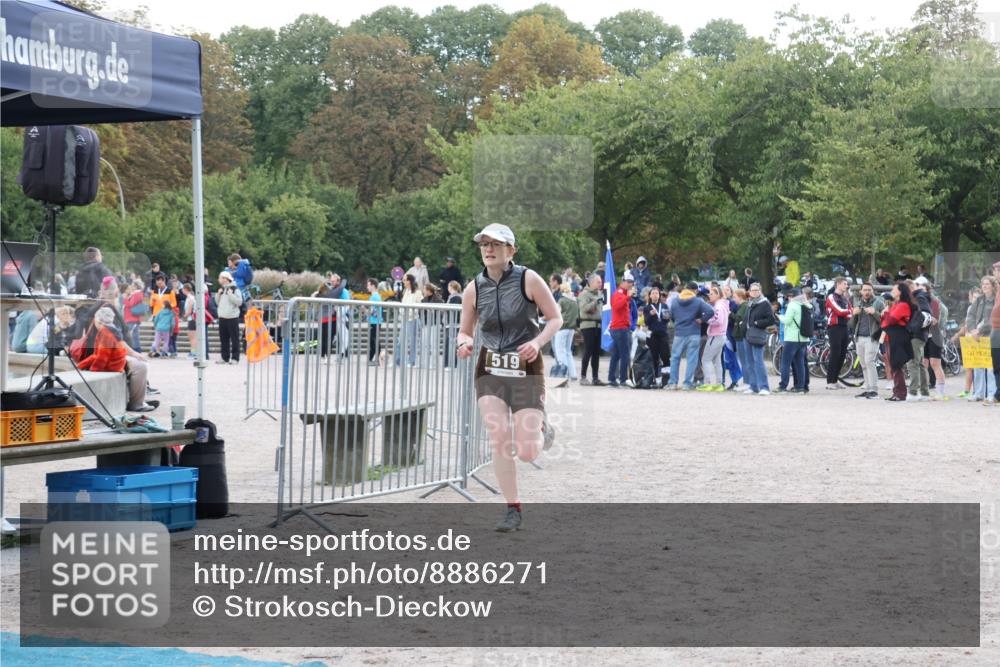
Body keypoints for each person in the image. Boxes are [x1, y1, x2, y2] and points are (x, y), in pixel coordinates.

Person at [455, 223, 560, 532]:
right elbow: (465, 329)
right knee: (500, 438)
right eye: (484, 244)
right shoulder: (474, 287)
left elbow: (555, 318)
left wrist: (537, 342)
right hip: (489, 369)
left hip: (525, 369)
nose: (488, 249)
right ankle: (512, 509)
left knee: (526, 452)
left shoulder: (529, 279)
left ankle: (541, 425)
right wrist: (464, 342)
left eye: (496, 244)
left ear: (511, 250)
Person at [667, 281, 716, 390]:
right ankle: (687, 384)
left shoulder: (675, 301)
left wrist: (678, 322)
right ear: (694, 291)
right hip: (694, 333)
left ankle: (673, 382)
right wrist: (701, 320)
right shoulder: (697, 301)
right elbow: (710, 311)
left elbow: (671, 316)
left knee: (675, 358)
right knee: (692, 359)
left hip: (679, 333)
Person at [881, 282, 915, 402]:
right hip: (893, 335)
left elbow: (890, 319)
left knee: (896, 364)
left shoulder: (903, 305)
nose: (892, 290)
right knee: (894, 365)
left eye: (894, 289)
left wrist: (886, 313)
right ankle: (897, 392)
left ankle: (900, 393)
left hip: (898, 336)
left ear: (900, 291)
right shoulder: (897, 304)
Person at [850, 282, 885, 399]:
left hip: (872, 337)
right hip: (859, 337)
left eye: (869, 290)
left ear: (873, 290)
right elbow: (850, 325)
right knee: (863, 364)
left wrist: (874, 312)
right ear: (861, 292)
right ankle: (868, 387)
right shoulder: (858, 303)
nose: (867, 292)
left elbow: (885, 320)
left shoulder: (879, 303)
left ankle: (874, 390)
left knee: (870, 362)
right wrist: (854, 315)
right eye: (865, 290)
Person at [743, 283, 777, 395]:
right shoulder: (750, 303)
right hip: (748, 335)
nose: (754, 292)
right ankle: (753, 386)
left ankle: (764, 387)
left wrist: (758, 323)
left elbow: (771, 320)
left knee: (758, 362)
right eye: (752, 290)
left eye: (756, 290)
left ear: (760, 290)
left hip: (758, 334)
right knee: (749, 362)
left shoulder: (764, 303)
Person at [967, 276, 996, 403]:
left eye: (987, 284)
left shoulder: (996, 300)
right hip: (976, 335)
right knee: (978, 364)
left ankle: (991, 394)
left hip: (991, 334)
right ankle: (978, 393)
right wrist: (973, 330)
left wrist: (980, 330)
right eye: (983, 284)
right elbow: (971, 315)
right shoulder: (978, 300)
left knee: (990, 367)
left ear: (993, 286)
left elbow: (993, 319)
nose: (984, 286)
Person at [776, 288, 810, 393]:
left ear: (792, 296)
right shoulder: (807, 305)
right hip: (804, 338)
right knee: (800, 363)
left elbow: (787, 320)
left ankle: (783, 386)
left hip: (792, 338)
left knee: (785, 363)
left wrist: (780, 316)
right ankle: (800, 387)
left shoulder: (792, 305)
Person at [698, 286, 730, 391]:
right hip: (721, 335)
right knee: (717, 361)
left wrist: (707, 320)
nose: (709, 296)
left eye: (712, 294)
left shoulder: (719, 306)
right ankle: (719, 384)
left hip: (715, 335)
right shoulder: (723, 305)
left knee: (705, 359)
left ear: (718, 295)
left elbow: (718, 320)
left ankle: (707, 383)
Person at [824, 277, 853, 389]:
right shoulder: (831, 296)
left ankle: (835, 380)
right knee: (835, 353)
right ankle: (830, 381)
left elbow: (851, 312)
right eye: (845, 284)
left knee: (842, 354)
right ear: (838, 284)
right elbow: (839, 311)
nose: (847, 286)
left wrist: (848, 312)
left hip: (844, 326)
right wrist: (848, 312)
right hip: (834, 327)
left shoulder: (845, 298)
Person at [922, 281, 949, 400]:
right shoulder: (918, 302)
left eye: (922, 288)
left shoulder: (934, 301)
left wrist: (939, 326)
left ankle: (940, 392)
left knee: (935, 363)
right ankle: (925, 390)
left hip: (935, 335)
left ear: (928, 289)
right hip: (923, 336)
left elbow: (939, 317)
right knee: (924, 363)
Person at [607, 274, 634, 387]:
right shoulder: (618, 293)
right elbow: (617, 306)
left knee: (616, 355)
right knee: (624, 355)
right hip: (620, 328)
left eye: (631, 282)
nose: (630, 284)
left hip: (621, 328)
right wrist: (628, 297)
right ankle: (623, 379)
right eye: (628, 282)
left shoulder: (622, 294)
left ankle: (612, 379)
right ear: (623, 282)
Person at [577, 274, 604, 385]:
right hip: (588, 325)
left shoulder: (599, 294)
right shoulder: (584, 294)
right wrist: (596, 301)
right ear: (591, 282)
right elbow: (584, 308)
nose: (600, 284)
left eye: (601, 282)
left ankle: (595, 378)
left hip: (598, 326)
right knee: (588, 350)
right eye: (598, 282)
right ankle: (583, 377)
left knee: (596, 353)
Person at [642, 286, 670, 384]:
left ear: (659, 295)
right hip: (652, 335)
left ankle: (666, 379)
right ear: (650, 296)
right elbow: (646, 321)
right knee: (653, 357)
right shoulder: (647, 308)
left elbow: (667, 320)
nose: (655, 295)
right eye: (653, 293)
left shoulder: (664, 306)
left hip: (663, 334)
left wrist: (665, 316)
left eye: (657, 293)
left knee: (665, 355)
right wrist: (650, 314)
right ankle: (656, 378)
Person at [215, 271, 243, 364]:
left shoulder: (235, 289)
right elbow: (217, 302)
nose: (219, 280)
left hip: (232, 317)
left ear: (225, 279)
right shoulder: (221, 289)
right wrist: (218, 294)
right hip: (222, 317)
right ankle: (224, 357)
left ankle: (235, 358)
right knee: (223, 339)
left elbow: (239, 302)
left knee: (234, 338)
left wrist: (231, 294)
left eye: (220, 278)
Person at [394, 274, 422, 367]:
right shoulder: (406, 291)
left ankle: (412, 361)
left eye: (405, 280)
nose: (403, 282)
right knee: (400, 340)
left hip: (412, 319)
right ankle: (398, 360)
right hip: (404, 318)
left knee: (412, 341)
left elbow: (420, 305)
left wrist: (411, 313)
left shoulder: (417, 292)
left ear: (409, 281)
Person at [554, 282, 579, 381]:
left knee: (560, 351)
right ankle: (573, 374)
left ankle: (563, 373)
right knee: (568, 351)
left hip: (562, 328)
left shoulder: (562, 300)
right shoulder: (574, 300)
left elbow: (556, 312)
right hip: (572, 328)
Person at [121, 280, 147, 352]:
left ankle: (136, 349)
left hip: (132, 318)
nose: (131, 287)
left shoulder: (136, 294)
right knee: (134, 334)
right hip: (132, 318)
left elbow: (131, 304)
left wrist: (125, 299)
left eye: (132, 285)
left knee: (132, 334)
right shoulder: (136, 294)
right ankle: (136, 349)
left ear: (135, 286)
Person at [443, 280, 462, 368]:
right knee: (451, 344)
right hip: (452, 324)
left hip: (453, 324)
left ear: (451, 287)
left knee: (451, 344)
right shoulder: (455, 297)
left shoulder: (455, 298)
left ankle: (450, 364)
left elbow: (454, 312)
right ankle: (450, 364)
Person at [366, 278, 383, 366]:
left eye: (368, 285)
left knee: (374, 341)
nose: (367, 287)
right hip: (375, 322)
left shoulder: (374, 297)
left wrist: (365, 310)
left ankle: (375, 359)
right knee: (374, 341)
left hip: (374, 322)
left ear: (373, 286)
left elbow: (375, 312)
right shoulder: (376, 296)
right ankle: (375, 359)